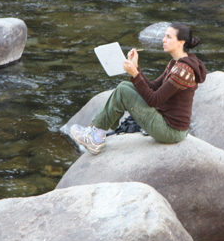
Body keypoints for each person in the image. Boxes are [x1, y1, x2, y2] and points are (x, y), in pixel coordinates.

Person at [70, 22, 207, 155]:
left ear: (181, 42)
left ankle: (96, 138)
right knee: (125, 86)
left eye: (168, 37)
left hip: (171, 131)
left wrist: (135, 74)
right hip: (165, 121)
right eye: (164, 36)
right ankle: (96, 132)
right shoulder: (175, 63)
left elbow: (154, 100)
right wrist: (136, 67)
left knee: (124, 91)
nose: (163, 40)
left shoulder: (183, 71)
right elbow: (153, 87)